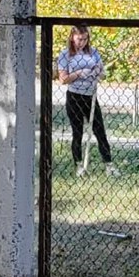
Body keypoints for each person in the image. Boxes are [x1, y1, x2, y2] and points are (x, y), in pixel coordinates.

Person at [58, 25, 113, 173]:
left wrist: (98, 72)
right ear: (72, 37)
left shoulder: (93, 53)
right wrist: (78, 74)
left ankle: (109, 164)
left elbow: (103, 74)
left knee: (99, 130)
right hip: (74, 96)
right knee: (77, 132)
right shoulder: (65, 55)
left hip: (91, 96)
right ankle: (79, 165)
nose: (82, 42)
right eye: (79, 39)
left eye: (85, 39)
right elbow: (63, 79)